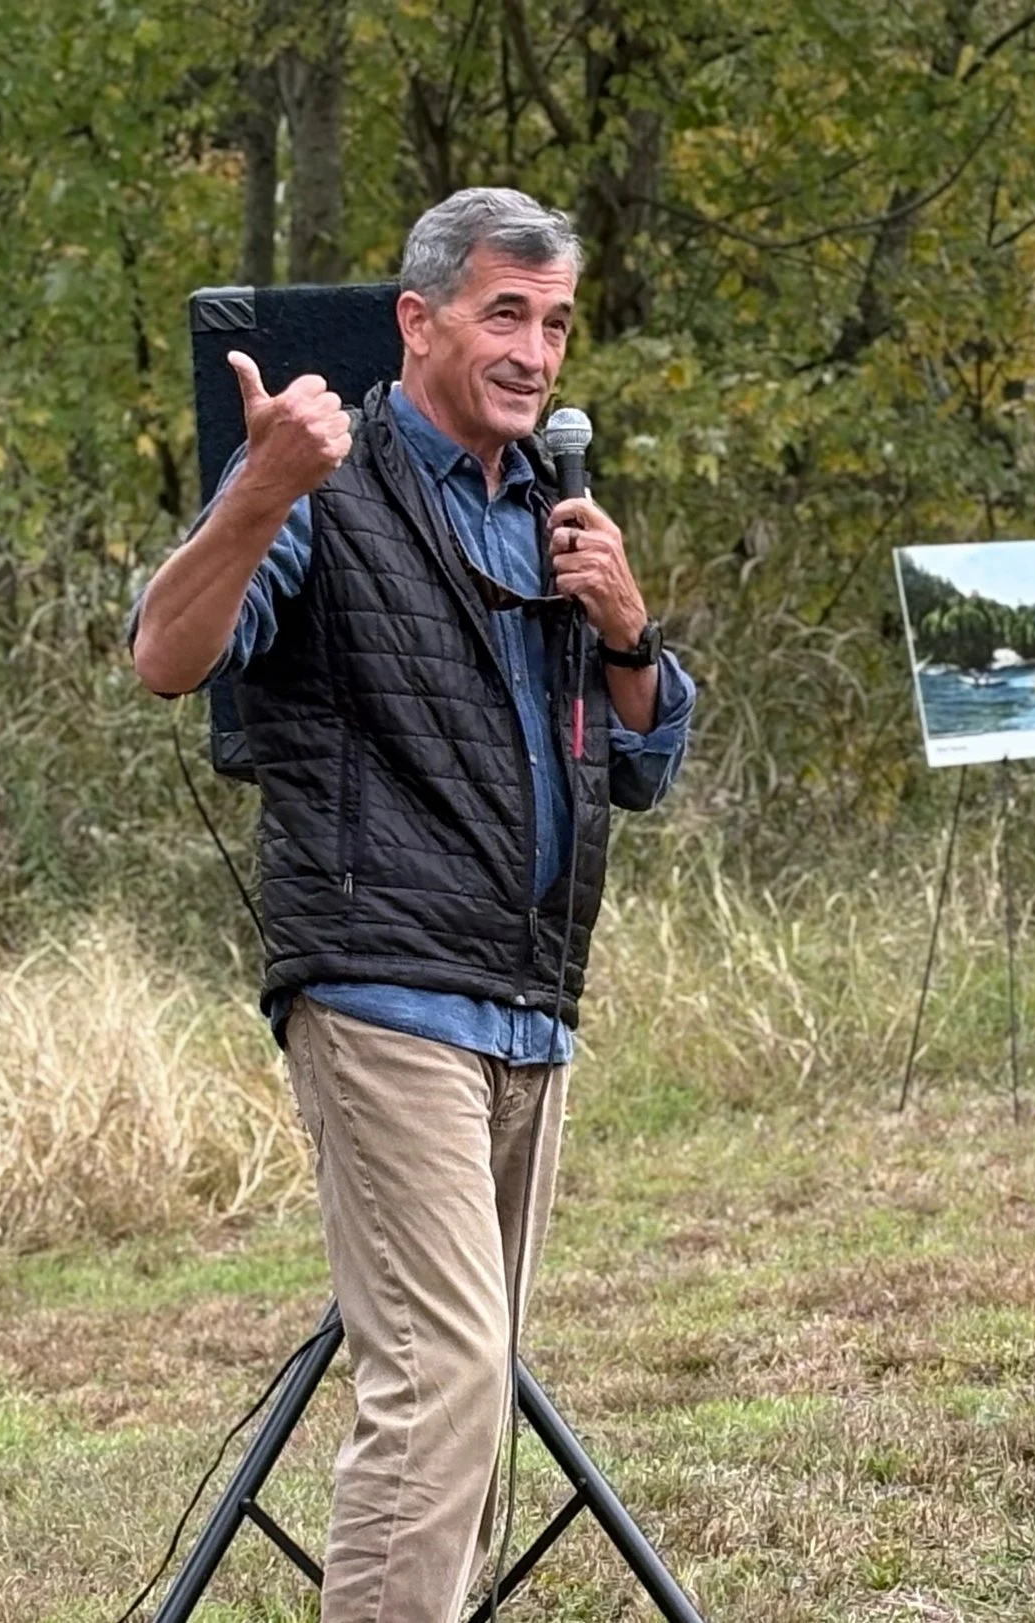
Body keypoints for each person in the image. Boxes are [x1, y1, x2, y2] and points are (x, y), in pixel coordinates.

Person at [128, 188, 695, 1623]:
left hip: (531, 1003)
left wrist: (629, 629)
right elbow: (166, 656)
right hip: (382, 989)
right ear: (418, 320)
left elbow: (643, 763)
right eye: (506, 313)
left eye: (556, 323)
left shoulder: (552, 508)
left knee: (474, 1392)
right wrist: (259, 490)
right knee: (440, 1375)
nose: (535, 353)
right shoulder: (321, 486)